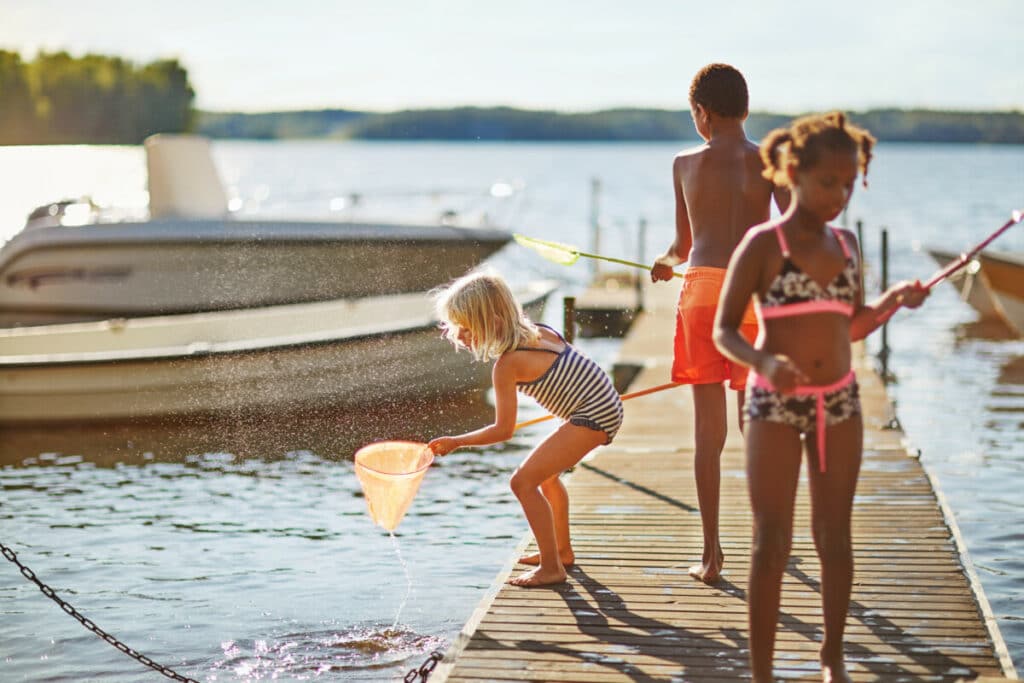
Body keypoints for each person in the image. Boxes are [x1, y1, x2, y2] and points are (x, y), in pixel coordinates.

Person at [713, 111, 928, 683]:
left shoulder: (848, 244)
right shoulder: (763, 244)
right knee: (771, 541)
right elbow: (725, 330)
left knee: (834, 535)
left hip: (841, 402)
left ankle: (832, 655)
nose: (840, 195)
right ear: (792, 173)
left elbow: (849, 327)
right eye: (829, 181)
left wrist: (889, 304)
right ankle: (762, 673)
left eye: (850, 183)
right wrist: (762, 362)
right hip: (772, 407)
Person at [650, 63, 789, 584]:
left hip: (704, 294)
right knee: (755, 424)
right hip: (751, 295)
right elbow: (791, 230)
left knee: (709, 435)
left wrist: (666, 263)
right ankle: (766, 543)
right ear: (746, 109)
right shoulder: (769, 162)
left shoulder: (684, 163)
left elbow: (683, 248)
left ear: (701, 113)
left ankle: (711, 557)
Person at [427, 270, 624, 588]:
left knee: (522, 482)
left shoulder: (508, 365)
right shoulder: (539, 332)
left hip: (592, 416)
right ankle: (561, 551)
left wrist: (456, 441)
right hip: (601, 407)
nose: (458, 335)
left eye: (465, 326)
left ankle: (551, 567)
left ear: (490, 321)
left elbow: (503, 431)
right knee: (545, 476)